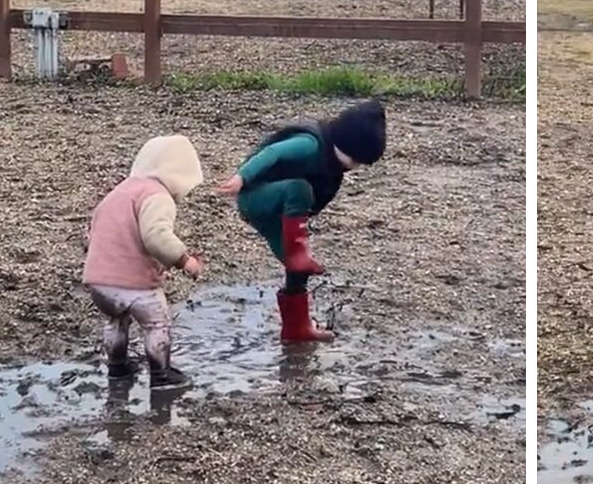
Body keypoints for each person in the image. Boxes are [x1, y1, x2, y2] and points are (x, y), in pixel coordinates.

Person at [217, 100, 386, 343]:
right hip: (256, 197)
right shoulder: (310, 144)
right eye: (356, 160)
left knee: (298, 270)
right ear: (345, 143)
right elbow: (272, 153)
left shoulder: (333, 163)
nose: (355, 167)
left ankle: (297, 329)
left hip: (280, 213)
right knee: (300, 189)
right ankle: (298, 255)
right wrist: (241, 178)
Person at [82, 134, 204, 389]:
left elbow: (94, 231)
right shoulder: (156, 195)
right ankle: (161, 374)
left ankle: (117, 368)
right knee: (157, 323)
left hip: (99, 282)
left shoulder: (119, 192)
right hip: (136, 285)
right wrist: (185, 261)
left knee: (115, 321)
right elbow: (156, 237)